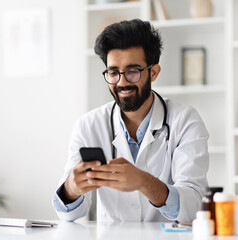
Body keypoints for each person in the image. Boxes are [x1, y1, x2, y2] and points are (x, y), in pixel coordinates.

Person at [53, 19, 209, 222]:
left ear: (153, 72)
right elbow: (69, 214)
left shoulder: (185, 121)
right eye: (113, 72)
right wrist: (71, 189)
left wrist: (144, 182)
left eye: (132, 71)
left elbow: (195, 206)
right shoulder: (88, 126)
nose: (122, 82)